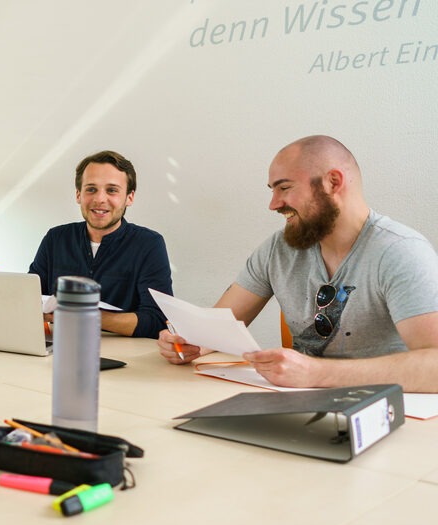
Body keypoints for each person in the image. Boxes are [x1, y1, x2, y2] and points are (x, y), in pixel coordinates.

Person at [157, 135, 438, 392]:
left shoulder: (401, 252)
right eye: (272, 190)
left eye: (284, 188)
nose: (273, 204)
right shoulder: (278, 249)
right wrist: (190, 343)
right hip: (296, 404)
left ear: (333, 183)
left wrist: (317, 373)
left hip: (383, 416)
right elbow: (217, 328)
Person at [27, 150, 172, 338]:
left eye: (112, 190)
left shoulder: (149, 244)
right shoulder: (56, 238)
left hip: (127, 357)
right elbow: (29, 301)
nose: (100, 199)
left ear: (129, 197)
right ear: (78, 195)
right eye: (91, 189)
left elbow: (157, 321)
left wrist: (86, 316)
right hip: (59, 348)